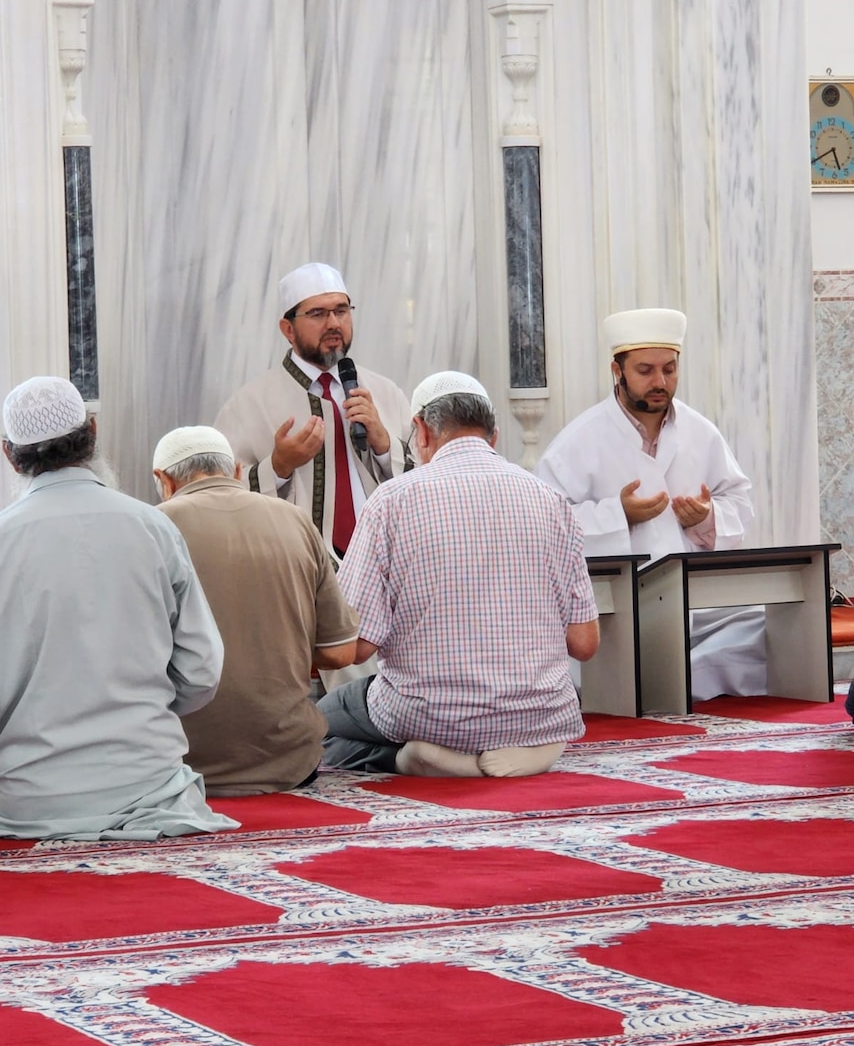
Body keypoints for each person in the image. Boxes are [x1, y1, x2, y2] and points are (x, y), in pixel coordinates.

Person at [318, 371, 600, 778]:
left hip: (429, 715)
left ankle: (415, 758)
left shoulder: (392, 501)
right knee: (544, 703)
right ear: (494, 436)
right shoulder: (550, 501)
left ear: (420, 431)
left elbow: (355, 646)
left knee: (314, 730)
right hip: (541, 711)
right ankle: (535, 749)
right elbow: (584, 643)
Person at [0, 377, 238, 840]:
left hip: (23, 800)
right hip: (148, 788)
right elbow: (202, 672)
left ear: (10, 454)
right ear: (93, 432)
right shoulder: (153, 527)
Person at [535, 307, 761, 701]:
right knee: (581, 656)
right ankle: (673, 680)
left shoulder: (700, 431)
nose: (660, 382)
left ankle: (670, 679)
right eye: (645, 370)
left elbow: (739, 501)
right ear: (617, 371)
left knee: (764, 627)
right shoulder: (579, 441)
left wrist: (708, 518)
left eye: (669, 369)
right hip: (613, 613)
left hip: (693, 607)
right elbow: (541, 526)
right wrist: (616, 515)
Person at [153, 425, 359, 795]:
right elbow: (340, 651)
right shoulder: (295, 519)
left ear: (163, 480)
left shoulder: (153, 527)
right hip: (291, 764)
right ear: (234, 472)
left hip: (181, 765)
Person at [214, 262, 412, 564]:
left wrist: (384, 445)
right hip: (300, 569)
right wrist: (278, 467)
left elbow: (428, 477)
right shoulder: (248, 405)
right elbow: (219, 496)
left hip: (385, 563)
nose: (334, 323)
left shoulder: (386, 394)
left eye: (342, 311)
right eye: (318, 313)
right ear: (288, 329)